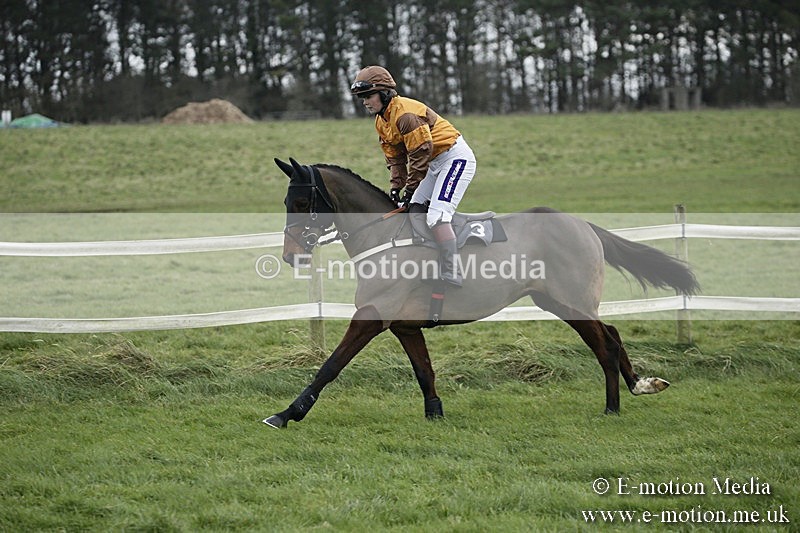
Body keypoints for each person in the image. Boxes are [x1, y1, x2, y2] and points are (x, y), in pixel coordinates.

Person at [350, 65, 477, 287]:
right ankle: (427, 260)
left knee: (437, 216)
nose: (365, 102)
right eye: (362, 97)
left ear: (384, 92)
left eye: (368, 96)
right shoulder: (382, 121)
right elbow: (396, 158)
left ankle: (452, 270)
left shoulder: (406, 114)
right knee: (414, 210)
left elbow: (420, 154)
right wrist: (396, 187)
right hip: (433, 162)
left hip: (454, 159)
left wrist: (410, 189)